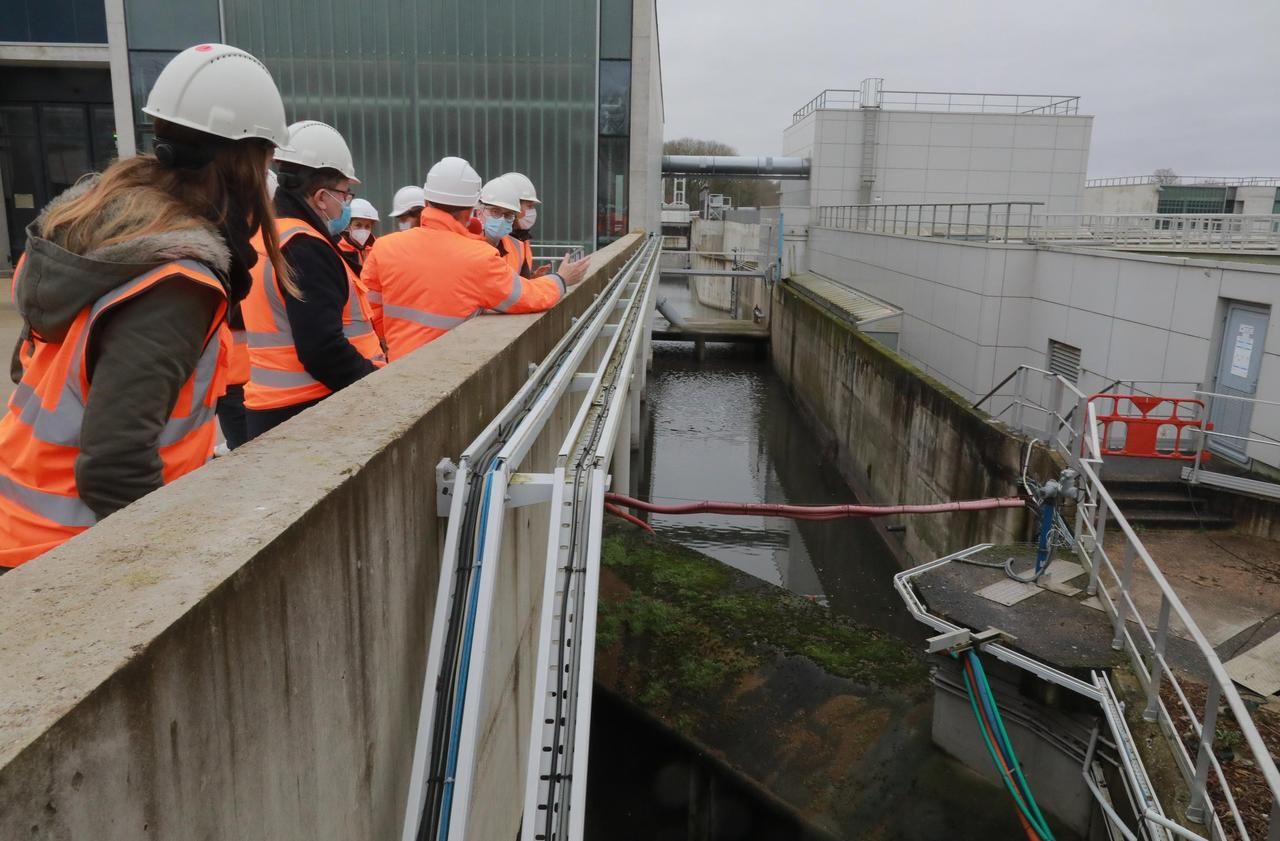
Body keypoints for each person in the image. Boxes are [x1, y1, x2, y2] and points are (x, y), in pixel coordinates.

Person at [0, 43, 290, 568]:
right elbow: (115, 464)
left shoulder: (110, 237)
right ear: (245, 161)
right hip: (66, 552)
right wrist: (164, 574)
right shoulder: (177, 283)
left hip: (27, 530)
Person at [361, 156, 591, 361]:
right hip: (449, 372)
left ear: (427, 202)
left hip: (398, 365)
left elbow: (372, 312)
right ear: (471, 209)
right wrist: (560, 279)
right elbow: (528, 297)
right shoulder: (478, 257)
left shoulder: (383, 247)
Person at [240, 120, 385, 440]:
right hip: (307, 413)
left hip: (277, 411)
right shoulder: (305, 247)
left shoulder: (268, 235)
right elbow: (322, 349)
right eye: (345, 194)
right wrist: (377, 390)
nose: (347, 202)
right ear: (321, 197)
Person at [478, 175, 531, 277]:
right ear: (480, 212)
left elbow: (526, 287)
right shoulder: (465, 245)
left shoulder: (518, 248)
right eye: (495, 211)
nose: (502, 219)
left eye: (508, 215)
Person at [503, 171, 545, 276]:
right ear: (513, 207)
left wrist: (532, 277)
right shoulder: (497, 241)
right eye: (529, 206)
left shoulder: (522, 238)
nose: (533, 212)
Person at [337, 197, 379, 272]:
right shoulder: (338, 249)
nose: (363, 230)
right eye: (358, 225)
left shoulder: (377, 248)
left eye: (367, 226)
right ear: (348, 225)